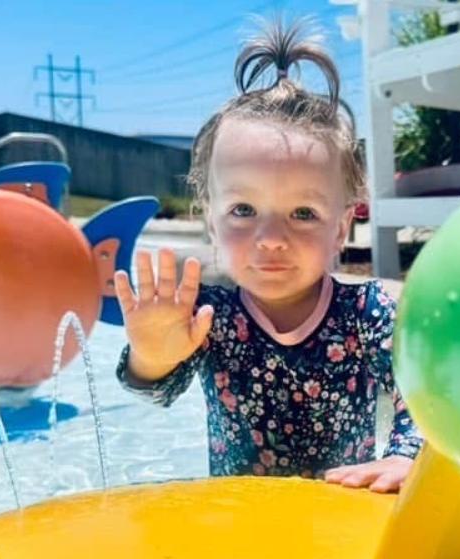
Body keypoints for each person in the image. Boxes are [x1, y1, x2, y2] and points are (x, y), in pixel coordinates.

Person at [114, 20, 422, 493]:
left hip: (340, 523)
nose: (272, 238)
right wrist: (151, 356)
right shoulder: (209, 318)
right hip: (241, 527)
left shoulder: (368, 314)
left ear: (341, 226)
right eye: (243, 210)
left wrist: (405, 456)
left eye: (303, 212)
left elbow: (421, 397)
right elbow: (157, 391)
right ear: (211, 221)